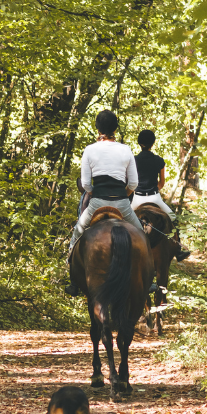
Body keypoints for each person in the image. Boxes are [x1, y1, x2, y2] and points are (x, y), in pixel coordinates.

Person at [64, 110, 145, 296]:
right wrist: (122, 195)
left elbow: (85, 184)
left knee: (78, 232)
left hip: (97, 203)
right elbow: (133, 183)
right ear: (115, 128)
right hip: (122, 203)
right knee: (141, 234)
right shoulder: (126, 149)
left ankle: (73, 279)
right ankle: (148, 278)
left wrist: (97, 194)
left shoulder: (90, 149)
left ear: (97, 127)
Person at [131, 129, 190, 262]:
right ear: (153, 143)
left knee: (122, 220)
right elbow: (161, 183)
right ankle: (179, 251)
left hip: (137, 198)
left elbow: (131, 182)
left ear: (139, 143)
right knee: (173, 218)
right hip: (154, 198)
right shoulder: (159, 160)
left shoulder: (133, 160)